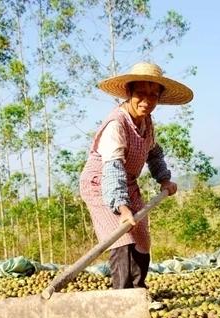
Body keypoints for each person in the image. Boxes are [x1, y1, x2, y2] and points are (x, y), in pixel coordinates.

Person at [79, 62, 194, 289]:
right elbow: (112, 169)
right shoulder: (116, 124)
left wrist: (164, 179)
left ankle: (138, 293)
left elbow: (153, 152)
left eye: (153, 95)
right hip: (100, 184)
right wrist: (122, 208)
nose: (147, 100)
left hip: (127, 183)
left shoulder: (146, 122)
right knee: (122, 240)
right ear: (129, 93)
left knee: (141, 239)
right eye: (141, 93)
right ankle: (122, 298)